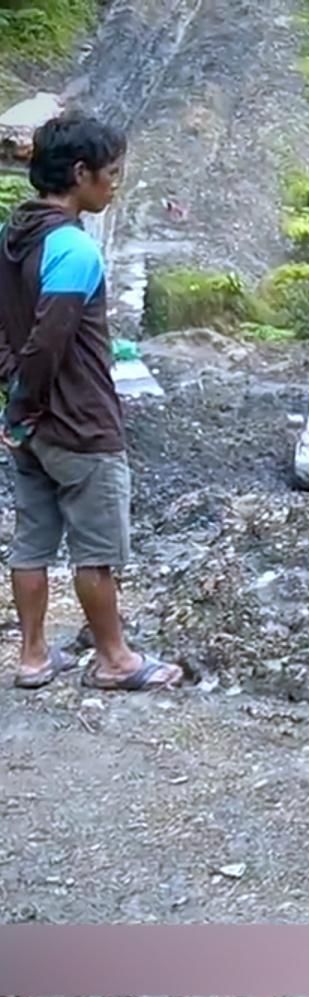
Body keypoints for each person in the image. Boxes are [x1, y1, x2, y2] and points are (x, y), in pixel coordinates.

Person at [0, 113, 184, 692]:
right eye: (111, 174)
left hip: (31, 431)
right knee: (95, 551)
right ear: (80, 175)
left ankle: (32, 657)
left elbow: (10, 337)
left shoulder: (11, 236)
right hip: (78, 424)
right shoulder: (74, 248)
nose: (115, 184)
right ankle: (115, 659)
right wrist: (26, 404)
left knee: (31, 540)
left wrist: (14, 407)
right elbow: (48, 341)